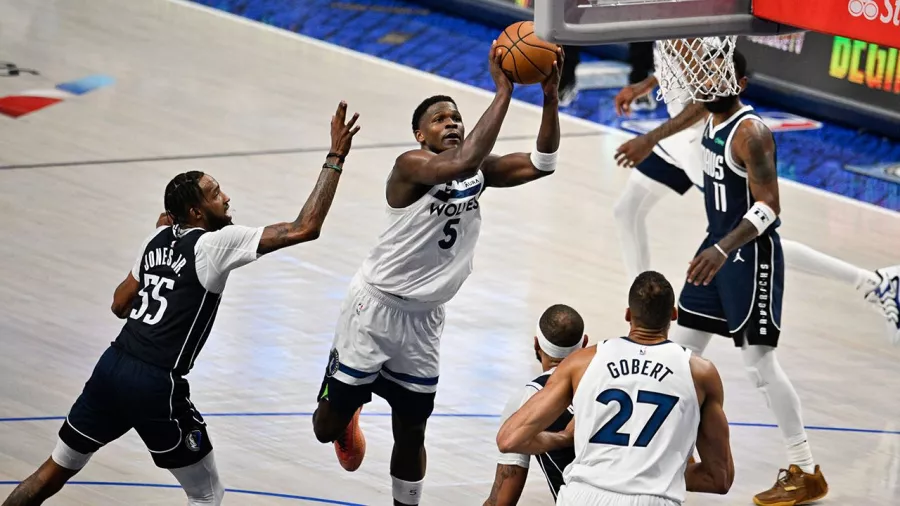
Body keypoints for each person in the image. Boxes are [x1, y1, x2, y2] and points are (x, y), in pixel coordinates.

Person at [1, 101, 362, 506]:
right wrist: (335, 156)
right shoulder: (214, 244)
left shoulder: (154, 239)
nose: (226, 198)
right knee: (207, 494)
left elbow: (120, 305)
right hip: (156, 382)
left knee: (51, 472)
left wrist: (156, 261)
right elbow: (304, 227)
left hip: (111, 367)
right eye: (215, 194)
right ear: (195, 212)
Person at [311, 43, 564, 506]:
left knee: (412, 429)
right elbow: (461, 162)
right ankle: (346, 416)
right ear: (420, 134)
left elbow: (542, 164)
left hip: (424, 321)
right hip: (374, 309)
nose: (452, 123)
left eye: (456, 118)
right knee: (324, 428)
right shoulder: (411, 166)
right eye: (440, 119)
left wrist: (549, 97)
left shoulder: (476, 171)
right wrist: (504, 90)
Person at [611, 46, 900, 347]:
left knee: (751, 237)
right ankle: (643, 306)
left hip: (701, 138)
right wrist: (646, 85)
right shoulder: (665, 19)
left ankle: (873, 282)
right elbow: (676, 65)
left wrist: (650, 137)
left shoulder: (687, 23)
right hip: (677, 139)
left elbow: (706, 98)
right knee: (627, 210)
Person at [668, 52, 830, 505]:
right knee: (679, 355)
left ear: (738, 82)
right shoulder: (708, 117)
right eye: (701, 76)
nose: (704, 83)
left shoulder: (751, 133)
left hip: (748, 254)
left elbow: (769, 206)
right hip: (715, 246)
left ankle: (807, 469)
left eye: (715, 76)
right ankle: (661, 450)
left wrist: (723, 249)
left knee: (760, 368)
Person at [497, 271, 734, 506]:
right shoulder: (701, 373)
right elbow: (719, 479)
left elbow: (509, 440)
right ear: (673, 315)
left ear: (628, 315)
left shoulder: (582, 362)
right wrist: (656, 472)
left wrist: (562, 438)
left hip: (582, 497)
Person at [483, 304, 588, 506]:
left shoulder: (528, 401)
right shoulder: (607, 377)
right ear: (584, 343)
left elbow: (501, 501)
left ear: (536, 345)